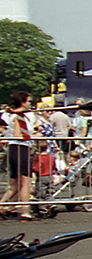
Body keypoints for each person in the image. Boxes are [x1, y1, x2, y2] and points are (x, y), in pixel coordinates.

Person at [1, 91, 35, 221]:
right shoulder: (18, 116)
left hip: (14, 148)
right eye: (29, 102)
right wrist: (31, 136)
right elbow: (17, 134)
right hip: (20, 148)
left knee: (14, 185)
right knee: (25, 182)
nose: (30, 104)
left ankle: (2, 206)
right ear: (23, 102)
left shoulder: (14, 115)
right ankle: (25, 211)